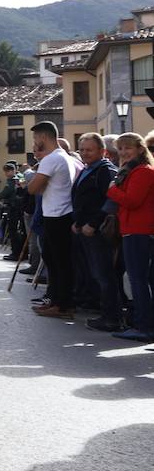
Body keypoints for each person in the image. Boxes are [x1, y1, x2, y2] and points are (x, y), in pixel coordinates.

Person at [27, 121, 80, 319]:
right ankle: (58, 301)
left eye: (35, 139)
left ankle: (63, 304)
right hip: (62, 214)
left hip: (57, 215)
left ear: (43, 138)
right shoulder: (63, 156)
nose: (34, 142)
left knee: (59, 262)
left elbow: (33, 188)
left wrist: (33, 182)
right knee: (55, 259)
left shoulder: (51, 159)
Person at [70, 132, 120, 332]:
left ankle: (112, 318)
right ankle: (105, 312)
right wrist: (77, 222)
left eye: (89, 150)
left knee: (104, 274)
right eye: (82, 150)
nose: (84, 153)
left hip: (97, 231)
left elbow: (109, 201)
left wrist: (92, 223)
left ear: (102, 151)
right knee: (96, 274)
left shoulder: (105, 171)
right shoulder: (87, 169)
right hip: (84, 228)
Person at [107, 131, 154, 343]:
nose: (124, 152)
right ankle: (143, 324)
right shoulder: (132, 170)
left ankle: (143, 327)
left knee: (138, 280)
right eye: (121, 148)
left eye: (128, 148)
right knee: (139, 280)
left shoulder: (142, 171)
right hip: (134, 229)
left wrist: (112, 190)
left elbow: (132, 201)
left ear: (139, 149)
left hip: (139, 230)